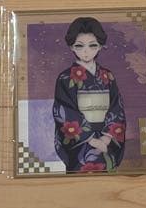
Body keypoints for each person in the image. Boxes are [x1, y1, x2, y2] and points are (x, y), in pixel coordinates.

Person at [52, 17, 126, 173]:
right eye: (79, 46)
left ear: (100, 46)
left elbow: (116, 107)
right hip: (81, 142)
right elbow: (65, 111)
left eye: (93, 45)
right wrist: (92, 140)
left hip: (106, 138)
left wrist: (107, 137)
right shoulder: (65, 78)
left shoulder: (108, 76)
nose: (86, 51)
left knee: (108, 176)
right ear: (71, 47)